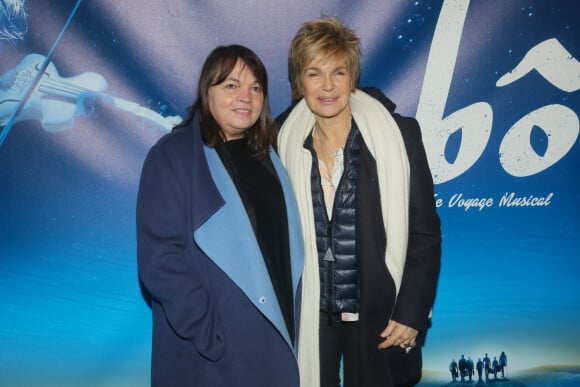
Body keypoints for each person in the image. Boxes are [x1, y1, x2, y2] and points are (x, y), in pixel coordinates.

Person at [277, 16, 441, 387]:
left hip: (378, 313)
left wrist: (412, 312)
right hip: (310, 317)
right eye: (314, 73)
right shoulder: (280, 141)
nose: (328, 86)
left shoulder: (399, 136)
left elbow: (424, 231)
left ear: (352, 76)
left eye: (338, 72)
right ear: (298, 81)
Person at [136, 44, 304, 387]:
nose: (246, 96)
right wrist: (210, 334)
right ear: (206, 92)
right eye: (231, 85)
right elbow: (160, 259)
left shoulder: (269, 157)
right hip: (213, 358)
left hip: (273, 345)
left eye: (256, 88)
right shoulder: (175, 155)